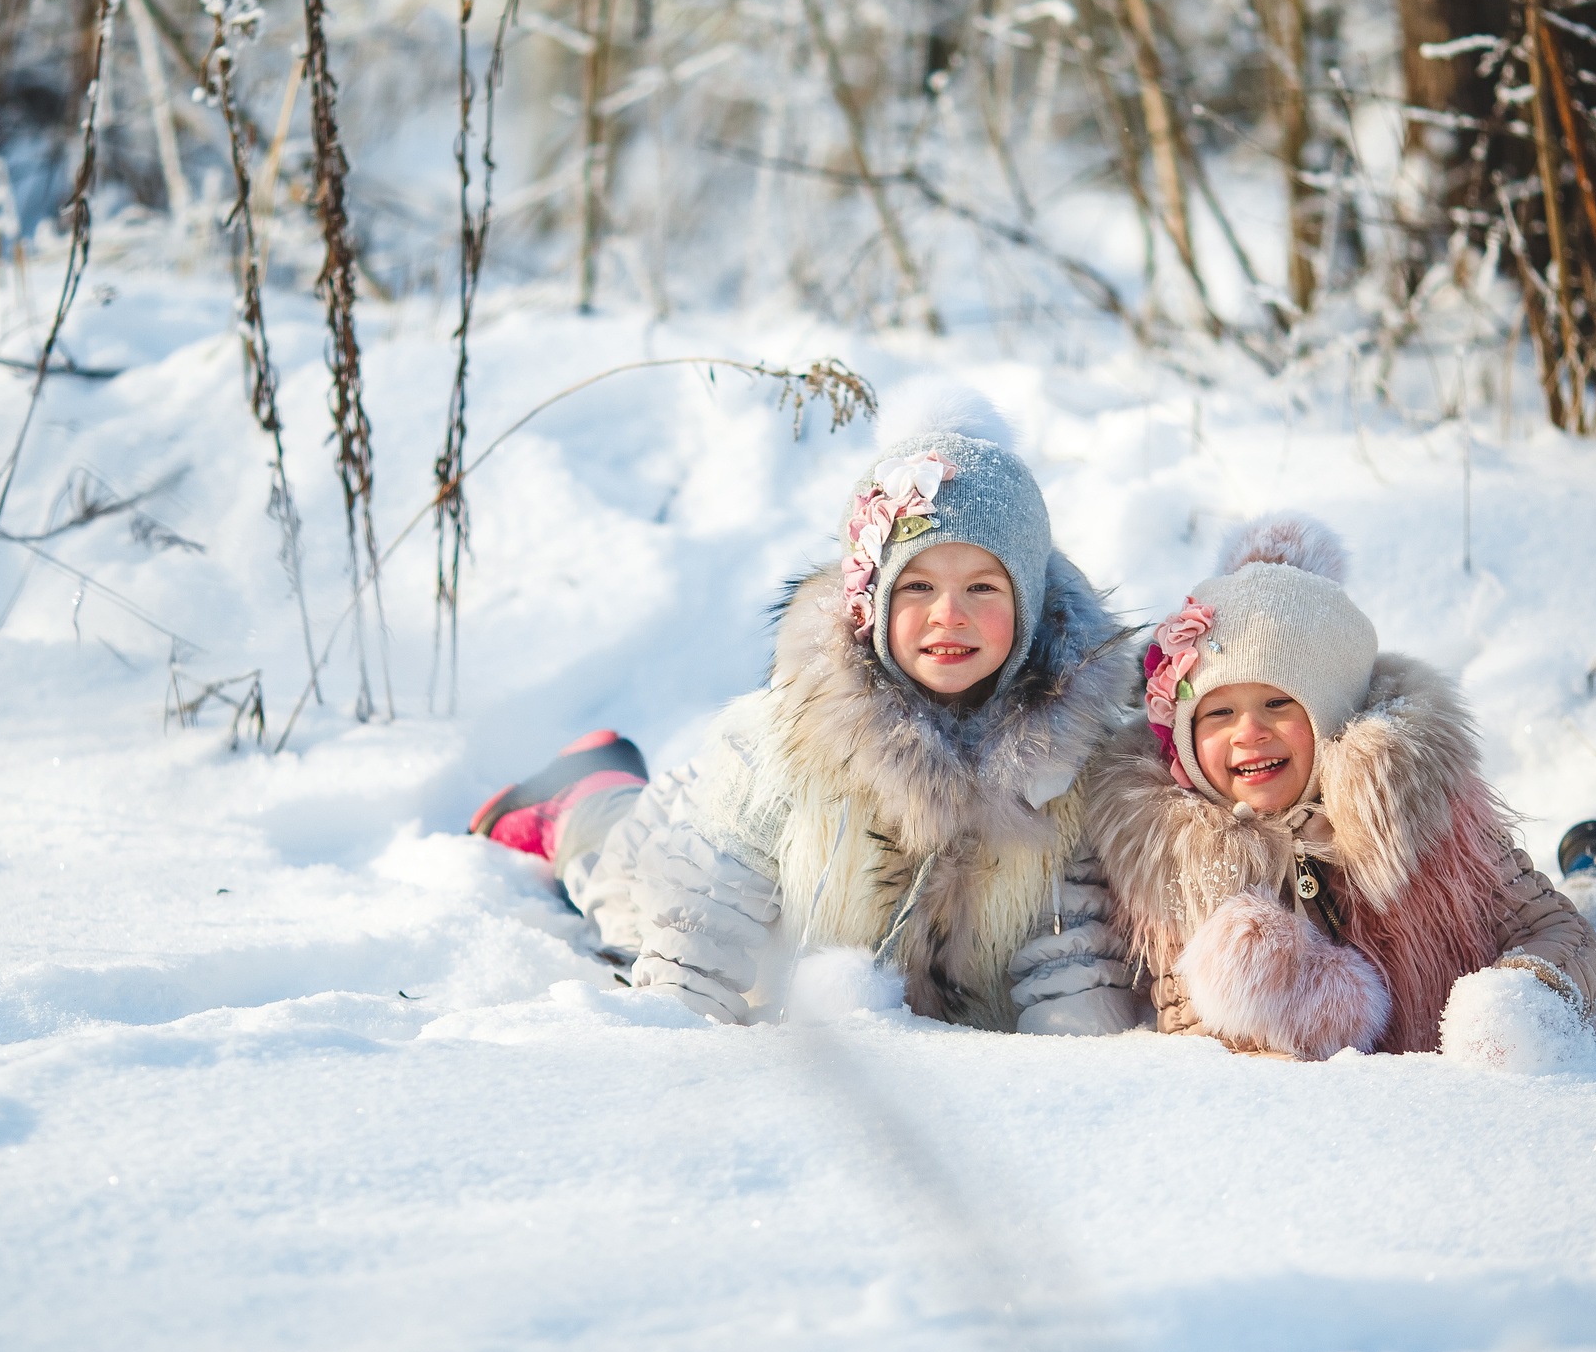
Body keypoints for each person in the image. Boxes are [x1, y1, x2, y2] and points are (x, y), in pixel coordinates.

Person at [470, 395, 1148, 1031]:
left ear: (1028, 602)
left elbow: (1073, 947)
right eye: (917, 586)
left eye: (981, 586)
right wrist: (675, 1035)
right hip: (704, 855)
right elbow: (696, 930)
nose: (950, 614)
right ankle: (584, 795)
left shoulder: (1073, 757)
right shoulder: (785, 739)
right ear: (871, 599)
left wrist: (1074, 1065)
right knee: (622, 883)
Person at [1077, 512, 1596, 1059]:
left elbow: (1568, 945)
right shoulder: (1176, 856)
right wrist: (1289, 1004)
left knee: (1594, 921)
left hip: (1465, 1050)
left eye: (1277, 703)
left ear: (1330, 717)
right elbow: (1195, 1042)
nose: (1249, 732)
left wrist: (1523, 996)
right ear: (1185, 739)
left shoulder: (1414, 812)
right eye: (1218, 713)